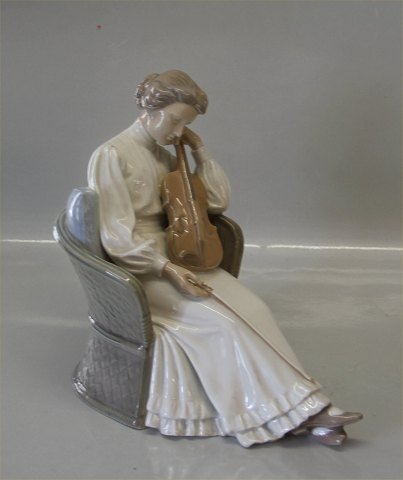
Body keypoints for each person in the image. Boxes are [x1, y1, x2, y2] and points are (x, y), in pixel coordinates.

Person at [87, 70, 362, 448]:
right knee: (223, 324)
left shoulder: (167, 156)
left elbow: (215, 202)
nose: (179, 132)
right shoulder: (111, 155)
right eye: (175, 121)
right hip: (142, 270)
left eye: (186, 125)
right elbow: (115, 236)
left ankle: (306, 407)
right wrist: (166, 270)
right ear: (150, 110)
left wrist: (200, 153)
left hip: (179, 254)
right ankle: (290, 413)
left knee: (255, 308)